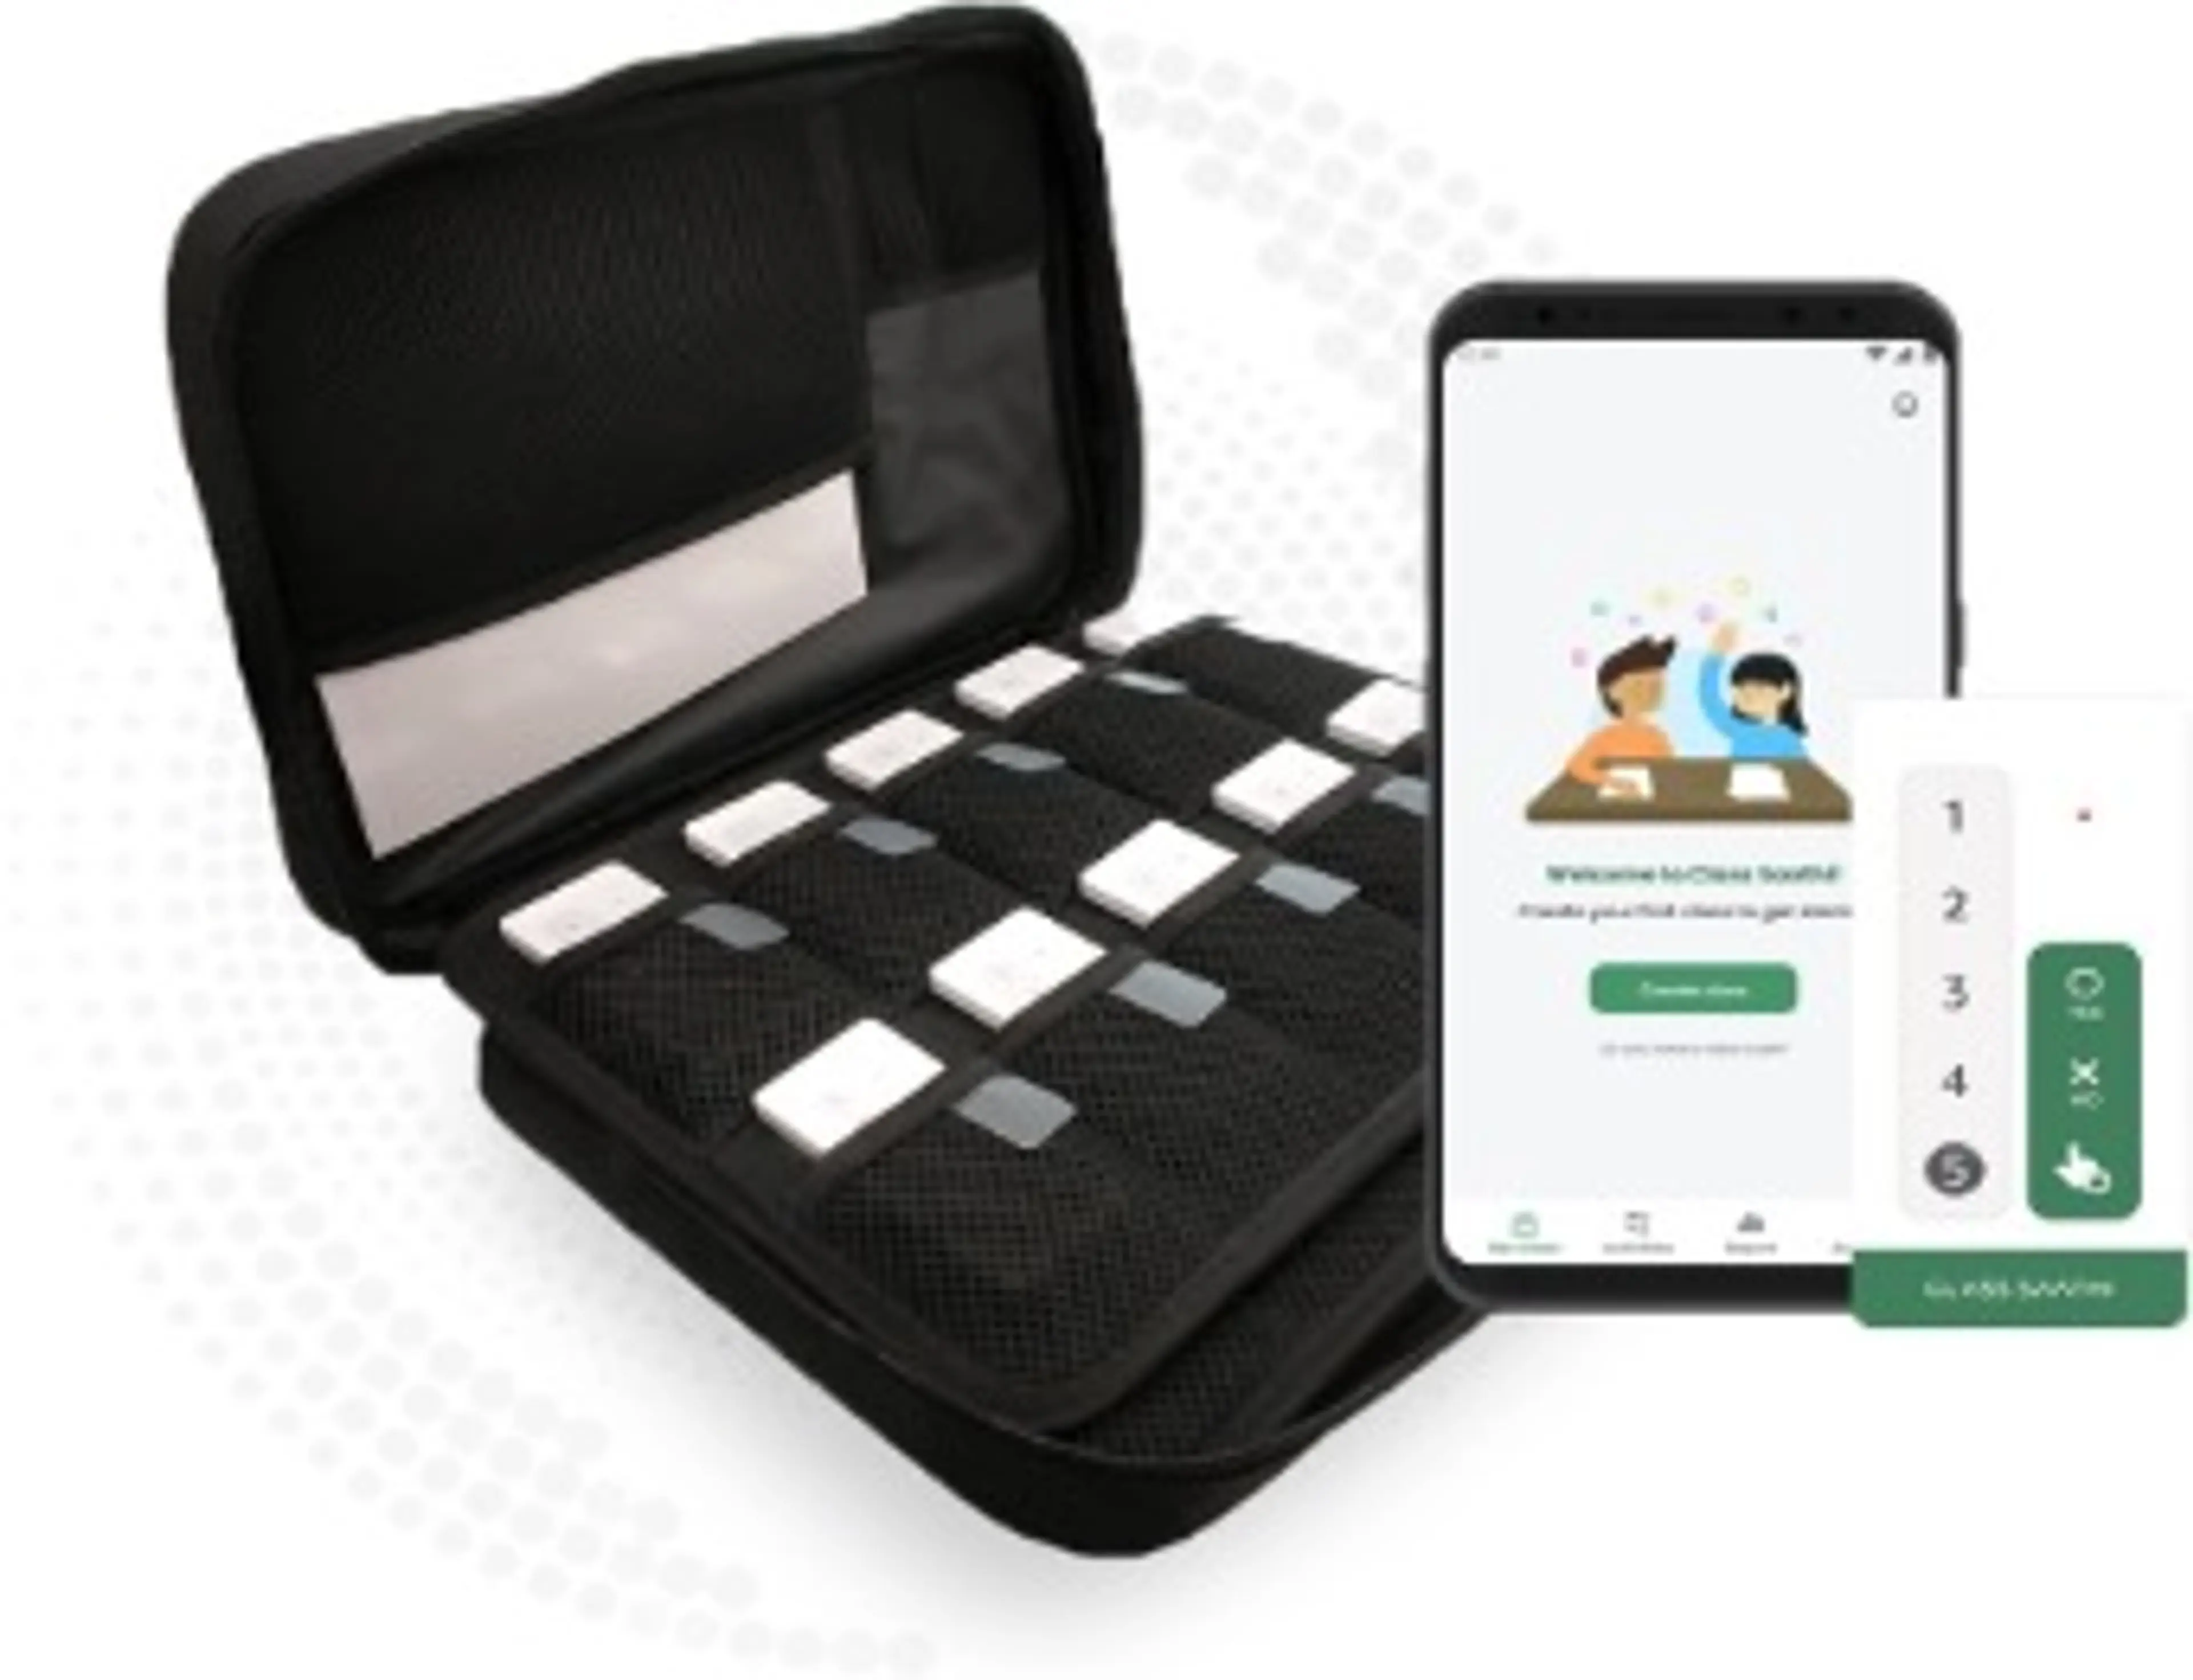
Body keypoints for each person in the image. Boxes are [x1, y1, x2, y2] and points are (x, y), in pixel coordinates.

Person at [1563, 634, 1676, 795]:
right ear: (1614, 692)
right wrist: (1613, 781)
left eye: (1657, 685)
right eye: (1639, 684)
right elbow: (1576, 765)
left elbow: (1671, 774)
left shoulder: (1658, 737)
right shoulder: (1606, 737)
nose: (1650, 691)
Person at [1698, 621, 1808, 759]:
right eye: (1741, 689)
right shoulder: (1739, 729)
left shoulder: (1789, 742)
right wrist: (1716, 655)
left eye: (1759, 689)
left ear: (1785, 691)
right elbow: (1710, 699)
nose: (1748, 696)